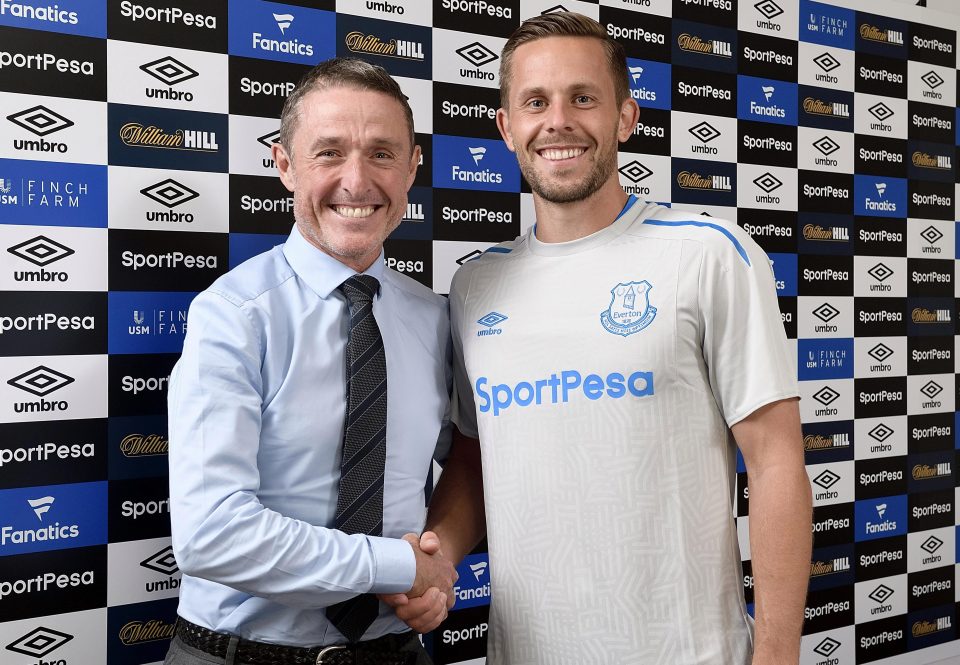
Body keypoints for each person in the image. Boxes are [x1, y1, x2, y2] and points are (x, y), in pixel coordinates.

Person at [387, 12, 813, 665]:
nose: (559, 120)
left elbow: (777, 461)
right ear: (506, 127)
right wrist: (439, 552)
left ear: (625, 118)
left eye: (583, 97)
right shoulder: (476, 284)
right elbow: (476, 455)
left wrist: (778, 654)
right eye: (536, 101)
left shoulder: (710, 255)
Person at [164, 58, 457, 665]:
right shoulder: (234, 314)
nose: (356, 181)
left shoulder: (435, 318)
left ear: (412, 169)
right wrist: (401, 566)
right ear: (284, 166)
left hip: (397, 651)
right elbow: (212, 535)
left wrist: (439, 563)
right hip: (241, 654)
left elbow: (468, 467)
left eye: (382, 153)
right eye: (329, 153)